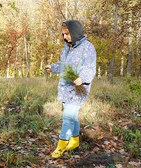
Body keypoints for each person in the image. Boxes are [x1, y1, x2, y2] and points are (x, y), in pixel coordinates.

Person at [45, 20, 96, 158]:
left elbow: (90, 68)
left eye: (67, 34)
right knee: (72, 116)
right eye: (63, 34)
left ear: (75, 32)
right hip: (65, 88)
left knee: (67, 117)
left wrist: (82, 77)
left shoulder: (87, 47)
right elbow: (63, 65)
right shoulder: (67, 47)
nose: (65, 37)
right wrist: (53, 67)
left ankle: (61, 146)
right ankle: (74, 142)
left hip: (79, 88)